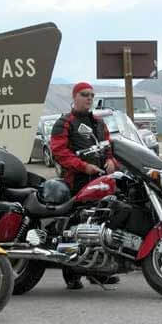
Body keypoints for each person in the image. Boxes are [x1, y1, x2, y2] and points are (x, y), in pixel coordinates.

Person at [50, 81, 119, 289]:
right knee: (73, 227)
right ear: (74, 97)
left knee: (102, 223)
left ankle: (99, 271)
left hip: (102, 182)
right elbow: (59, 152)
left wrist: (111, 162)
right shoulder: (64, 123)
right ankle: (71, 274)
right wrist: (83, 166)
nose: (89, 98)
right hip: (76, 181)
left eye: (91, 94)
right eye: (84, 94)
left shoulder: (99, 123)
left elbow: (109, 148)